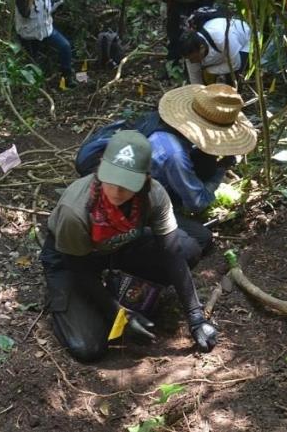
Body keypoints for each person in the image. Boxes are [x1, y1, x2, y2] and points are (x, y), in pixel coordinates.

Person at [41, 130, 218, 363]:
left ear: (145, 179)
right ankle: (69, 299)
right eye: (111, 180)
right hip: (73, 260)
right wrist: (120, 315)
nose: (115, 191)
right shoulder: (75, 211)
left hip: (117, 246)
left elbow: (171, 251)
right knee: (88, 347)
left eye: (126, 185)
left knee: (189, 249)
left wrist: (196, 317)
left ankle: (115, 287)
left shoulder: (154, 194)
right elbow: (78, 268)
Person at [76, 84, 257, 254]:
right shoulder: (174, 154)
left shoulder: (158, 121)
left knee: (204, 162)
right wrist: (220, 170)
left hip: (115, 179)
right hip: (124, 198)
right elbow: (197, 203)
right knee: (201, 239)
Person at [14, 0, 76, 88]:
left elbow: (46, 9)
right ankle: (34, 86)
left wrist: (58, 5)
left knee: (65, 46)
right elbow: (25, 14)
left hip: (46, 30)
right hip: (29, 34)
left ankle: (67, 77)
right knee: (33, 62)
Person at [179, 13, 252, 86]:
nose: (192, 62)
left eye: (194, 58)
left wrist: (210, 70)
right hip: (222, 52)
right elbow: (195, 79)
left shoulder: (221, 39)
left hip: (244, 43)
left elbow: (236, 64)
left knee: (232, 79)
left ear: (202, 48)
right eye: (189, 60)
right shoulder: (191, 53)